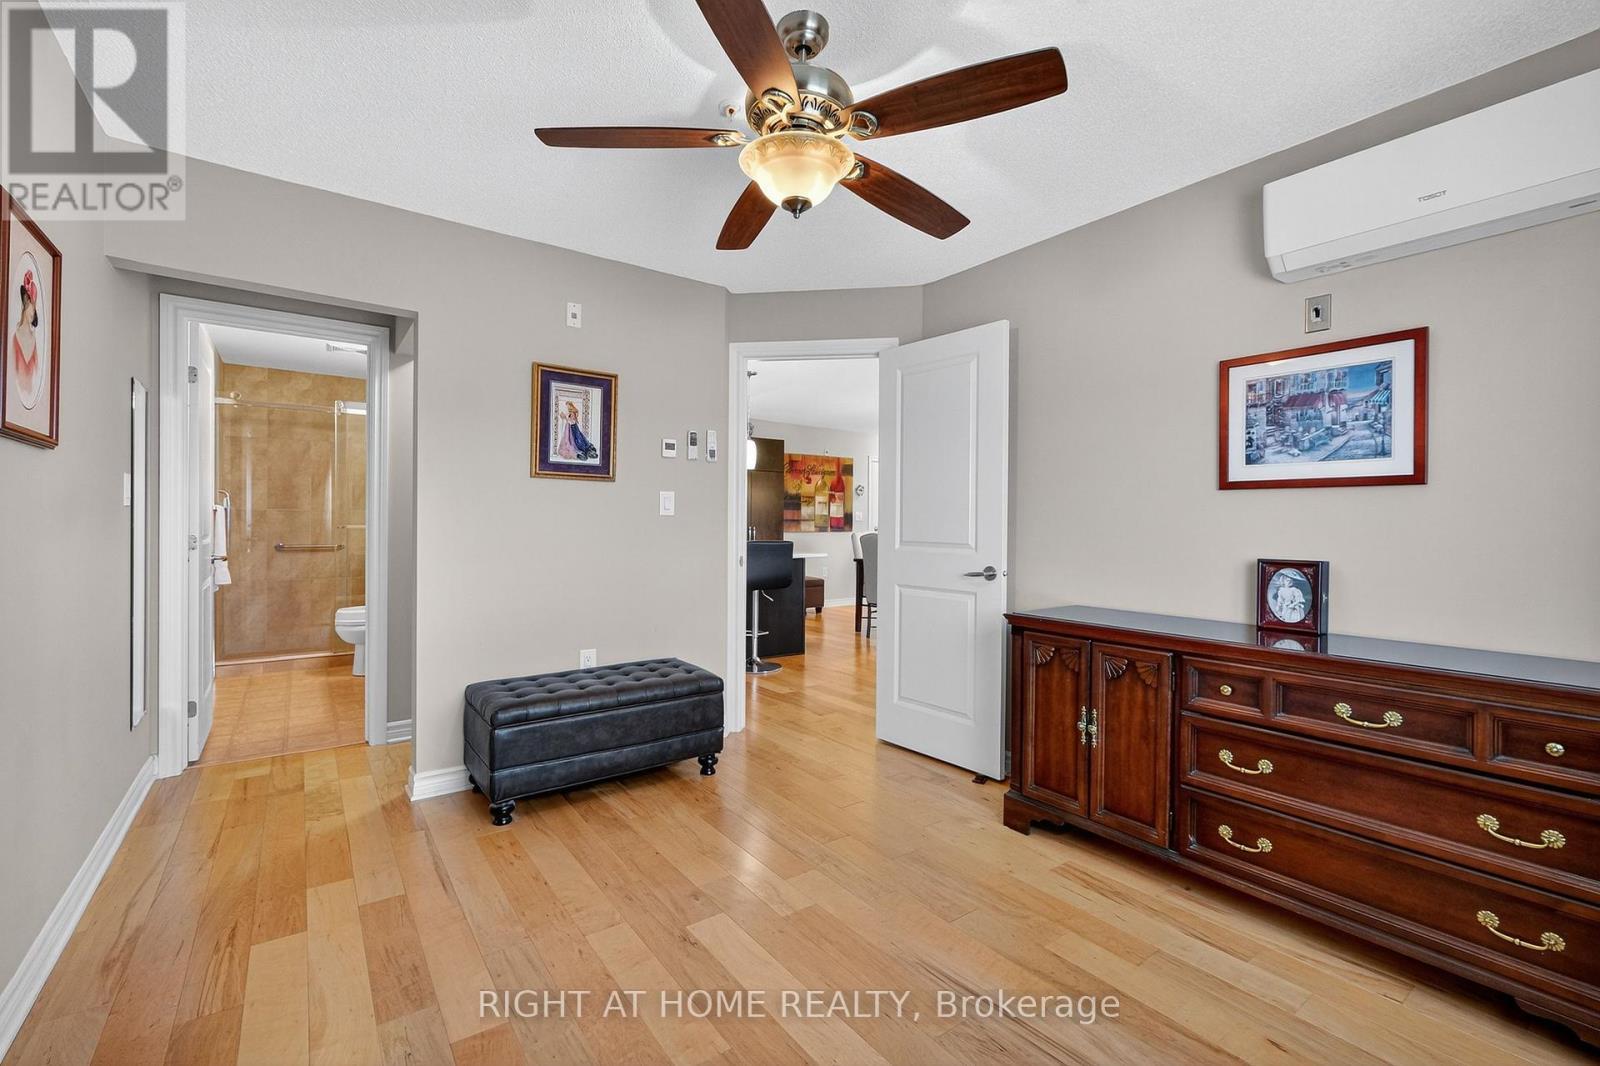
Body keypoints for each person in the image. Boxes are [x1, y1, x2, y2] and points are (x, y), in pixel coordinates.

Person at [10, 265, 41, 410]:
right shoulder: (15, 338)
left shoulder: (34, 340)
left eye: (35, 309)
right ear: (25, 302)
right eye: (32, 307)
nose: (33, 313)